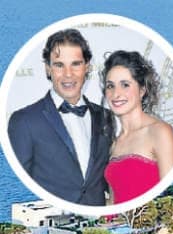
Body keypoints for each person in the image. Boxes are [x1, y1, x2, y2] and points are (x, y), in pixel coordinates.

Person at [8, 29, 112, 206]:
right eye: (59, 65)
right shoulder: (24, 121)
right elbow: (19, 184)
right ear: (48, 68)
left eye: (76, 64)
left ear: (87, 67)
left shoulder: (105, 117)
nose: (68, 74)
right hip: (53, 216)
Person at [101, 50, 173, 204]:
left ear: (142, 90)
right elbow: (114, 199)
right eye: (110, 86)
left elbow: (170, 198)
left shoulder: (159, 132)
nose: (116, 94)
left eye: (125, 85)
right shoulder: (114, 142)